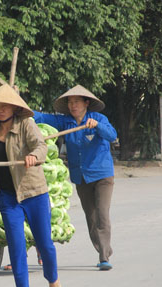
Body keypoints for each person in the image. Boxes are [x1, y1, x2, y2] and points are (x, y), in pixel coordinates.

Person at [0, 83, 63, 287]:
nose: (0, 109)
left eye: (5, 106)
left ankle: (53, 280)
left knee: (44, 243)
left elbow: (41, 146)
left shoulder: (26, 125)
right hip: (8, 196)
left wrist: (34, 156)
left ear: (14, 108)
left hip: (33, 192)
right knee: (15, 244)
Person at [33, 85, 117, 271]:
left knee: (102, 214)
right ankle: (103, 248)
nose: (73, 106)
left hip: (102, 174)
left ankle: (104, 256)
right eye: (70, 103)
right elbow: (40, 117)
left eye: (77, 102)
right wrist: (18, 106)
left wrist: (98, 127)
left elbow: (112, 135)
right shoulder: (65, 122)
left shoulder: (98, 118)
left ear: (86, 103)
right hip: (81, 177)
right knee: (91, 217)